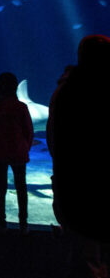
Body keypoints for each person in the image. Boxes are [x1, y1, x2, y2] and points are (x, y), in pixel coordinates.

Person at [50, 35, 110, 276]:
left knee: (80, 244)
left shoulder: (64, 91)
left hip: (71, 181)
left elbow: (55, 138)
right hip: (91, 183)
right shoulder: (93, 89)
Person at [0, 72, 33, 235]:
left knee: (0, 188)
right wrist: (25, 148)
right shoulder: (21, 107)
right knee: (21, 188)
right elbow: (29, 131)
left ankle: (1, 223)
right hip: (18, 152)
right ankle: (23, 224)